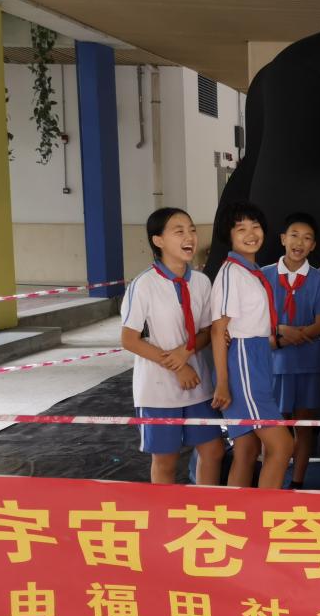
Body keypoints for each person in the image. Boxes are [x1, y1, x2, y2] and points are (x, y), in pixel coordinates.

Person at [121, 207, 225, 485]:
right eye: (179, 231)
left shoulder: (201, 282)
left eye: (192, 230)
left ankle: (205, 507)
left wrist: (186, 352)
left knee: (213, 450)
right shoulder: (144, 284)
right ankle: (165, 511)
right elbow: (129, 339)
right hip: (158, 389)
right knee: (166, 460)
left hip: (198, 384)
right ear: (158, 241)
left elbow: (206, 331)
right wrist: (178, 367)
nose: (189, 236)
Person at [209, 202, 294, 488]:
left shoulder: (250, 271)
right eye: (241, 228)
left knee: (247, 449)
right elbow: (218, 330)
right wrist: (223, 383)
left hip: (257, 356)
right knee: (282, 445)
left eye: (255, 226)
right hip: (243, 361)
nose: (251, 234)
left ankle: (238, 511)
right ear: (229, 235)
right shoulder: (232, 273)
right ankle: (266, 510)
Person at [262, 213, 320, 488]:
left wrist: (295, 335)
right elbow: (257, 321)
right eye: (294, 235)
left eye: (306, 238)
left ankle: (297, 483)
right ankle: (273, 483)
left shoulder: (318, 279)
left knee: (304, 429)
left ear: (313, 245)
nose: (299, 242)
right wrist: (282, 332)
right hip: (273, 365)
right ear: (283, 239)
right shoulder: (264, 276)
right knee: (274, 429)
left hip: (308, 366)